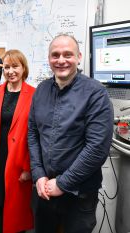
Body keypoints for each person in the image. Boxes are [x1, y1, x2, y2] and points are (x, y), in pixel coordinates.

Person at [28, 34, 113, 233]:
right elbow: (33, 134)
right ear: (49, 58)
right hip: (44, 190)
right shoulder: (41, 91)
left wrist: (63, 183)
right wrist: (38, 174)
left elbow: (97, 148)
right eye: (55, 55)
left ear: (79, 57)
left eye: (68, 54)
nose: (61, 60)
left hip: (79, 195)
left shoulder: (95, 93)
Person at [0, 49, 34, 233]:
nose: (10, 71)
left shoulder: (34, 94)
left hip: (18, 162)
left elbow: (37, 134)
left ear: (23, 68)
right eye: (6, 67)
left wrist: (29, 167)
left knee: (16, 215)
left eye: (15, 66)